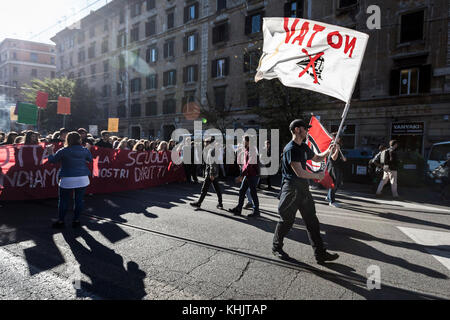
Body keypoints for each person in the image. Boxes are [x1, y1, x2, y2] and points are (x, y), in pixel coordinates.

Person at [272, 119, 339, 264]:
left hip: (303, 189)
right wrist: (317, 176)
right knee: (286, 221)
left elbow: (317, 157)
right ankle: (276, 247)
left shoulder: (303, 147)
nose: (308, 131)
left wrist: (329, 150)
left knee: (312, 222)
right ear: (297, 130)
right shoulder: (291, 149)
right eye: (305, 128)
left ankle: (320, 254)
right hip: (291, 190)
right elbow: (300, 172)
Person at [46, 131, 93, 229]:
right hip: (82, 178)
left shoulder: (64, 150)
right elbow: (90, 160)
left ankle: (61, 221)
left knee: (63, 201)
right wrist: (87, 149)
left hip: (68, 178)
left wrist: (50, 151)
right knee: (79, 200)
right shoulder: (84, 150)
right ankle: (76, 220)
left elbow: (52, 161)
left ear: (68, 140)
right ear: (79, 139)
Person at [228, 136, 261, 218]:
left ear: (248, 141)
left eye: (243, 141)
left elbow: (249, 165)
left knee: (253, 193)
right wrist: (243, 174)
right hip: (248, 175)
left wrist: (241, 175)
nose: (242, 142)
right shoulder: (247, 149)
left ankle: (256, 211)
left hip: (252, 175)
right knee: (242, 191)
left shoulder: (252, 150)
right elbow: (245, 165)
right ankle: (239, 208)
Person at [190, 137, 223, 209]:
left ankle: (199, 203)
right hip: (214, 173)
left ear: (209, 143)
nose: (204, 143)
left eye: (205, 141)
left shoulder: (211, 150)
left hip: (210, 173)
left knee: (204, 189)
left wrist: (211, 174)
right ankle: (220, 203)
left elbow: (212, 163)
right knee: (217, 188)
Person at [326, 134, 347, 207]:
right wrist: (337, 149)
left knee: (337, 184)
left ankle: (329, 196)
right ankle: (332, 201)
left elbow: (341, 157)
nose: (339, 138)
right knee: (333, 184)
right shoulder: (332, 146)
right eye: (337, 137)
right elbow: (333, 158)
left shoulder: (338, 145)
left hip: (338, 167)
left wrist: (343, 158)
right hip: (332, 167)